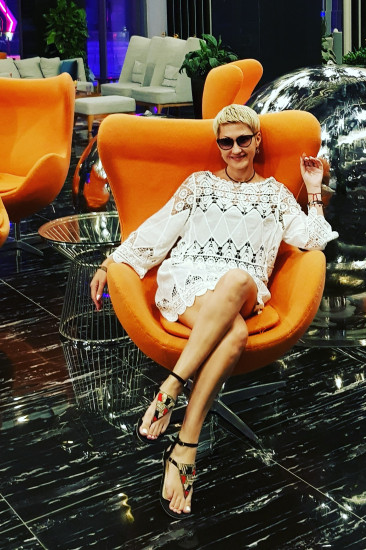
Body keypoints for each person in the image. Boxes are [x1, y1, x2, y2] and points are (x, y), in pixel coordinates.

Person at [89, 104, 338, 519]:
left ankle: (171, 387)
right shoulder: (198, 184)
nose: (235, 149)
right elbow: (157, 230)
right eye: (226, 142)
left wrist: (312, 188)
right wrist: (109, 262)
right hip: (189, 279)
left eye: (243, 139)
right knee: (235, 333)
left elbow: (312, 241)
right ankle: (185, 446)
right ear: (219, 145)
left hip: (243, 287)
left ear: (257, 141)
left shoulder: (276, 194)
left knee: (237, 279)